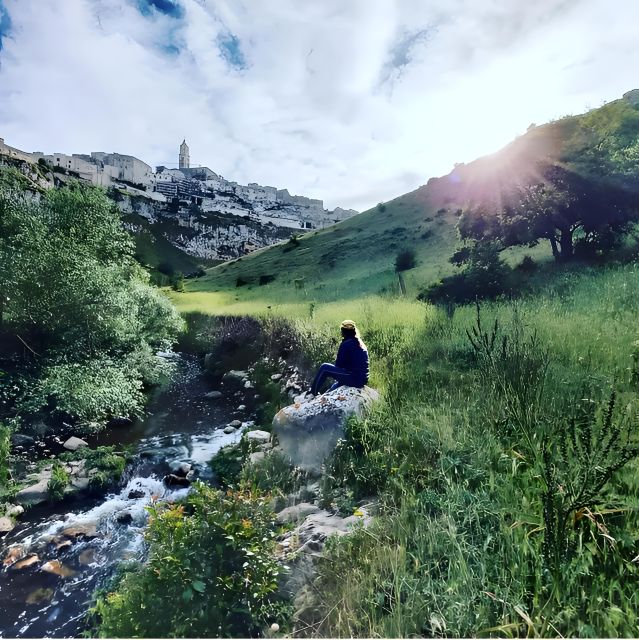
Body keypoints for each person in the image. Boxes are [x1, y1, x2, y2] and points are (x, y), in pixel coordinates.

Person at [310, 320, 369, 396]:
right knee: (334, 387)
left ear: (343, 331)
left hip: (355, 379)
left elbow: (339, 365)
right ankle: (326, 395)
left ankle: (313, 393)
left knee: (324, 367)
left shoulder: (346, 343)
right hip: (363, 379)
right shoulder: (360, 342)